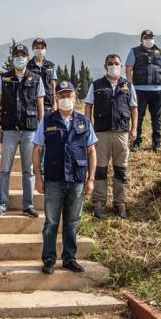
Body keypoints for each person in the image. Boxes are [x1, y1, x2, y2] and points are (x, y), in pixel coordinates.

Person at [32, 81, 97, 274]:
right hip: (54, 179)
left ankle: (69, 258)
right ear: (57, 98)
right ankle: (49, 260)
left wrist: (91, 179)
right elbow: (37, 150)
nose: (66, 99)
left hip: (77, 180)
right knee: (51, 222)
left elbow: (91, 151)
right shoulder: (47, 121)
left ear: (75, 98)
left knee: (72, 221)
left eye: (69, 95)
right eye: (62, 95)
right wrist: (38, 176)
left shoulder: (84, 121)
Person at [0, 44, 45, 219]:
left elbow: (40, 106)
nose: (20, 58)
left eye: (23, 55)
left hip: (30, 130)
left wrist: (41, 130)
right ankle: (1, 204)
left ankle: (28, 205)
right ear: (12, 58)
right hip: (8, 130)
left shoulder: (36, 79)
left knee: (28, 170)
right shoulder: (3, 78)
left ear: (28, 58)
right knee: (4, 170)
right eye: (17, 55)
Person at [84, 54, 138, 219]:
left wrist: (134, 129)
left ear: (121, 66)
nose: (113, 66)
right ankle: (98, 203)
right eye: (110, 63)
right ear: (105, 66)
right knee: (100, 169)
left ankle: (120, 203)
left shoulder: (128, 85)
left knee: (121, 169)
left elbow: (134, 108)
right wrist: (88, 128)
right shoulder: (96, 85)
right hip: (100, 133)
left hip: (122, 133)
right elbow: (88, 107)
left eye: (116, 63)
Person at [125, 30, 161, 152]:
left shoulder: (159, 51)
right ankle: (135, 142)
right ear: (141, 39)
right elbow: (128, 69)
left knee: (156, 117)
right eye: (146, 37)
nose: (149, 39)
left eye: (151, 37)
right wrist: (130, 87)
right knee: (138, 117)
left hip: (157, 91)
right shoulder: (134, 51)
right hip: (139, 91)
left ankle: (157, 143)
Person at [27, 38, 58, 114]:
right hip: (32, 103)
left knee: (48, 125)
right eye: (37, 48)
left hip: (48, 103)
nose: (40, 50)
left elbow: (53, 85)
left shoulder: (50, 65)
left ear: (45, 49)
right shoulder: (28, 65)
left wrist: (55, 103)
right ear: (33, 49)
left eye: (42, 48)